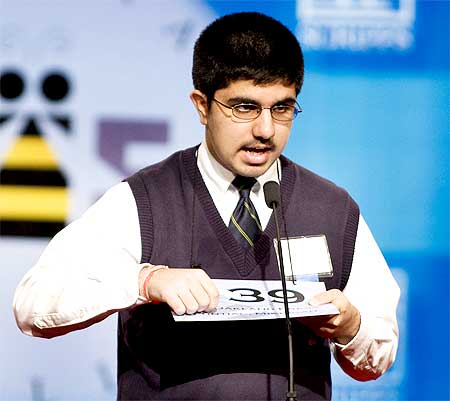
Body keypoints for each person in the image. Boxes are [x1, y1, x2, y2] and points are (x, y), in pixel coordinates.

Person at [13, 11, 400, 401]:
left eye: (281, 108)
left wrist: (351, 327)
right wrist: (144, 281)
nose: (265, 130)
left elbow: (377, 356)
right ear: (202, 105)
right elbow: (34, 304)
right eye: (245, 108)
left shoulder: (332, 209)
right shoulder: (143, 200)